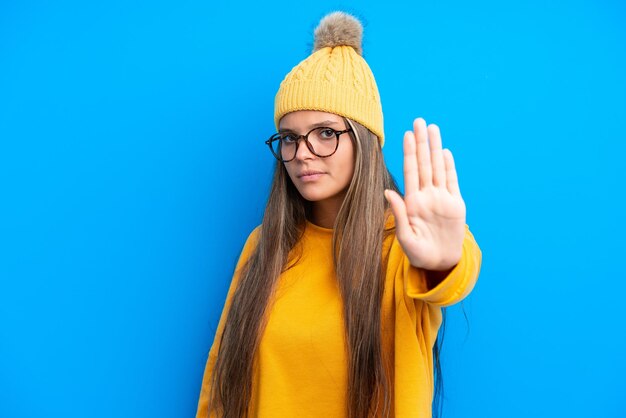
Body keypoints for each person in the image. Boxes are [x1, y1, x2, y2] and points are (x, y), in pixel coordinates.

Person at [195, 11, 482, 418]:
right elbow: (220, 384)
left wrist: (443, 262)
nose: (302, 153)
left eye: (326, 133)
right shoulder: (263, 246)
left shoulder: (404, 244)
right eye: (290, 138)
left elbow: (452, 275)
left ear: (363, 141)